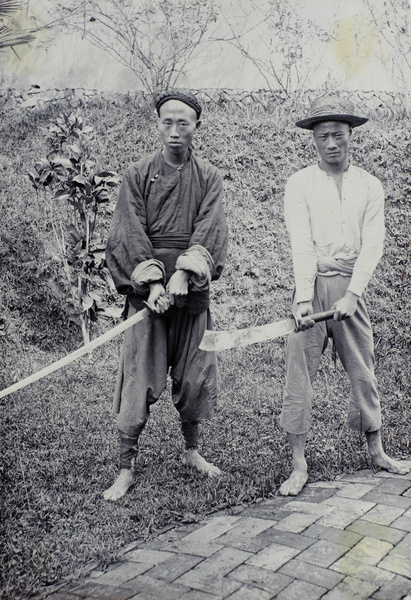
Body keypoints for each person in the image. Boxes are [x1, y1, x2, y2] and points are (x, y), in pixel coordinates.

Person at [279, 96, 411, 496]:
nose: (331, 143)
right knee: (298, 372)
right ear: (314, 141)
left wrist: (353, 294)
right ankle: (299, 464)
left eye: (339, 135)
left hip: (350, 290)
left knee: (363, 368)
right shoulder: (299, 183)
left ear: (351, 136)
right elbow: (300, 242)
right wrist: (304, 298)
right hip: (313, 286)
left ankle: (377, 451)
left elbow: (373, 244)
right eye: (323, 137)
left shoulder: (369, 185)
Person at [104, 90, 228, 501]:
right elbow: (127, 231)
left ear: (197, 126)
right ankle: (125, 467)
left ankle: (192, 450)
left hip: (191, 296)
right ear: (157, 125)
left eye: (184, 123)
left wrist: (185, 274)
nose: (175, 131)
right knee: (138, 381)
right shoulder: (137, 174)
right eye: (167, 122)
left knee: (193, 378)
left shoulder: (209, 177)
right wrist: (154, 283)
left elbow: (211, 230)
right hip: (149, 299)